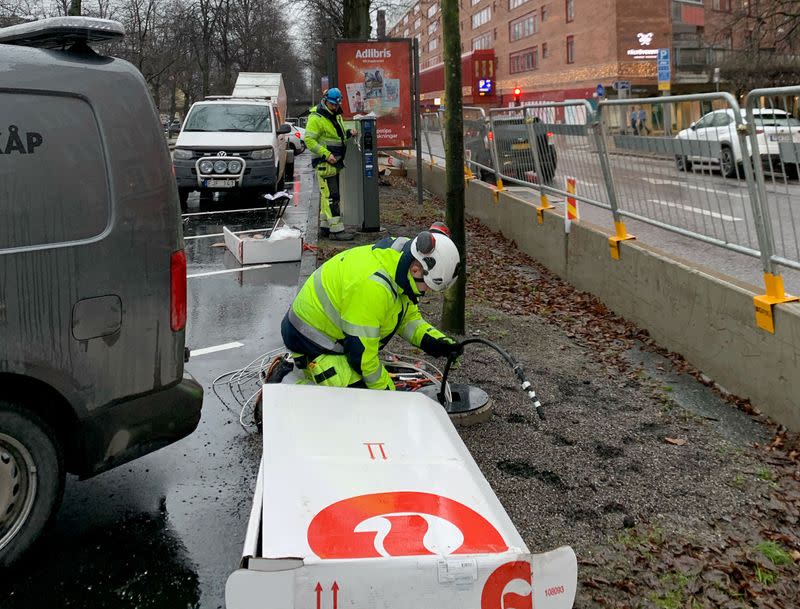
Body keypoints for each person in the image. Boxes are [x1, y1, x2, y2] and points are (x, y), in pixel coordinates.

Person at [281, 223, 462, 390]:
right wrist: (386, 393)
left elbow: (408, 319)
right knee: (358, 401)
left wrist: (439, 343)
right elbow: (362, 358)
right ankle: (287, 381)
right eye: (429, 286)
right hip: (312, 341)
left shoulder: (401, 263)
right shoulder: (374, 288)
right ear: (416, 270)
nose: (427, 291)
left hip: (334, 335)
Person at [305, 88, 358, 240]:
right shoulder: (316, 118)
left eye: (336, 104)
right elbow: (309, 140)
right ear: (325, 100)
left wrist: (349, 134)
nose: (334, 107)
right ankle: (337, 231)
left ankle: (325, 227)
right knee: (332, 197)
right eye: (332, 104)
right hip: (325, 163)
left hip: (333, 163)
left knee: (327, 196)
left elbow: (337, 137)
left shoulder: (335, 115)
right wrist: (327, 154)